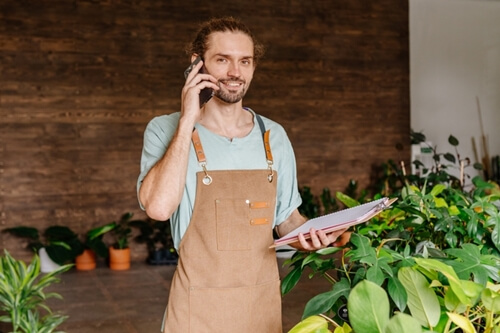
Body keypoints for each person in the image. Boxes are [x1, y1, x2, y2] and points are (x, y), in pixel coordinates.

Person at [137, 17, 348, 333]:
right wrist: (187, 122)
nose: (235, 72)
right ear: (197, 64)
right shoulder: (165, 129)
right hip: (196, 309)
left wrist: (315, 236)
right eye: (223, 60)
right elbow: (158, 208)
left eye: (245, 61)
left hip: (260, 307)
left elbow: (287, 220)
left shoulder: (273, 135)